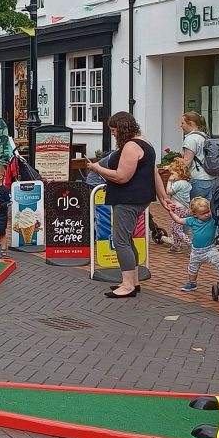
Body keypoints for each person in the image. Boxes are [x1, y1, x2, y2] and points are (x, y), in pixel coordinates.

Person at [85, 111, 168, 299]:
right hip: (138, 198)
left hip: (127, 199)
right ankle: (134, 281)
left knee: (121, 241)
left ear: (122, 129)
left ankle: (128, 285)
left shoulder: (131, 146)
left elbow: (122, 176)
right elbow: (154, 172)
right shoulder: (144, 141)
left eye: (114, 130)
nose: (113, 134)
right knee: (128, 240)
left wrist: (97, 168)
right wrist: (162, 197)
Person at [172, 196, 219, 293]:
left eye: (208, 211)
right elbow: (178, 220)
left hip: (210, 249)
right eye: (203, 213)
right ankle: (192, 283)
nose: (207, 215)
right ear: (195, 214)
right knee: (192, 267)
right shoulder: (192, 220)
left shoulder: (213, 220)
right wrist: (170, 212)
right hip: (196, 251)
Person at [179, 111, 218, 202]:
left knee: (195, 209)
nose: (180, 126)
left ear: (191, 123)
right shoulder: (205, 136)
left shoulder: (191, 139)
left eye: (182, 123)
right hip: (211, 178)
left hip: (198, 179)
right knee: (207, 210)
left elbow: (187, 162)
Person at [164, 158, 193, 249]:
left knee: (177, 229)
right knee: (175, 228)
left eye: (172, 173)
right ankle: (177, 245)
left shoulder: (178, 184)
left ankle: (190, 244)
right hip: (184, 208)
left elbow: (168, 192)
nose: (171, 175)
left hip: (178, 209)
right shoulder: (187, 183)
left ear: (179, 173)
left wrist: (169, 181)